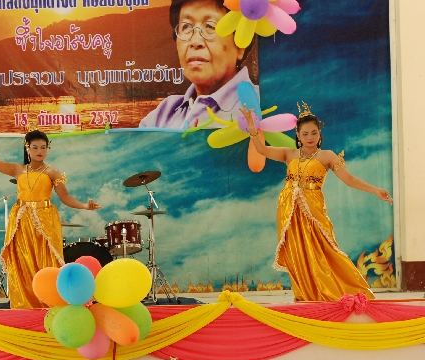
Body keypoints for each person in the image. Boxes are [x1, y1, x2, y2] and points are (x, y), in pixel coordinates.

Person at [240, 103, 393, 302]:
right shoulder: (289, 154)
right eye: (305, 134)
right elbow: (261, 149)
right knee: (297, 254)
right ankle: (306, 296)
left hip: (313, 210)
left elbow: (349, 179)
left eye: (314, 132)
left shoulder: (327, 156)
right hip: (289, 211)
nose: (310, 137)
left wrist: (375, 190)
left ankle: (342, 291)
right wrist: (252, 127)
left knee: (324, 250)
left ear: (319, 133)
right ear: (298, 135)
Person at [0, 118, 103, 309]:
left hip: (45, 222)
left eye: (43, 147)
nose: (39, 151)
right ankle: (25, 307)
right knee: (23, 263)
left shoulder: (52, 172)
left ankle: (50, 304)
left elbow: (65, 197)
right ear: (27, 148)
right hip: (21, 222)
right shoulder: (18, 169)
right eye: (35, 147)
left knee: (46, 262)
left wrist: (86, 206)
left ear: (47, 149)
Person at [140, 0, 257, 129]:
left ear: (241, 46)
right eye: (186, 27)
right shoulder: (163, 115)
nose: (195, 41)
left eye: (210, 26)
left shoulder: (265, 103)